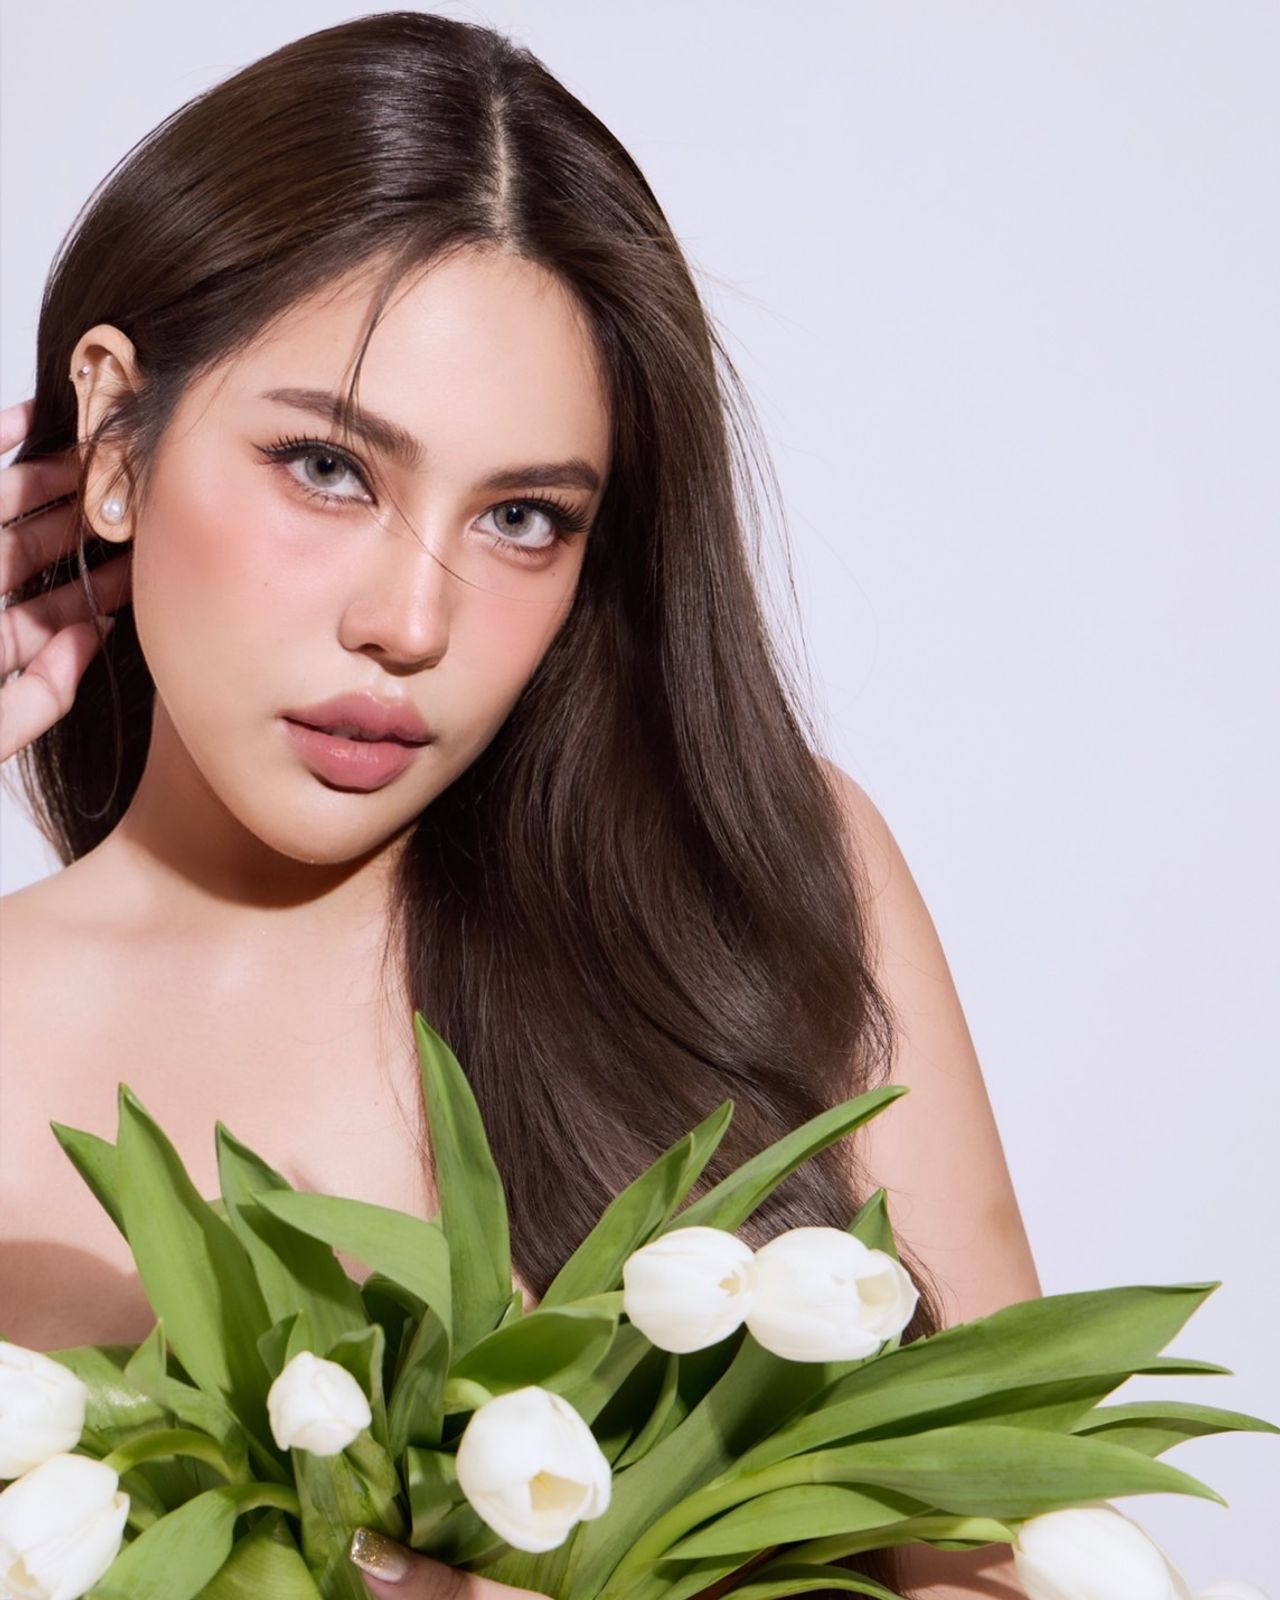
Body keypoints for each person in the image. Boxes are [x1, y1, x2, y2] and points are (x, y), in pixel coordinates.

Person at [0, 13, 1040, 1597]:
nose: (411, 623)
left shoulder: (751, 878)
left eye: (524, 518)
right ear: (116, 435)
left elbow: (1014, 1551)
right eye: (328, 468)